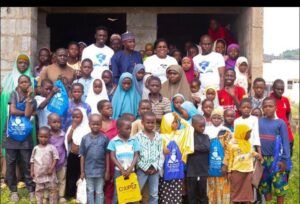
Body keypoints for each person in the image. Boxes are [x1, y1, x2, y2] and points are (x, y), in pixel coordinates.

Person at [4, 75, 36, 202]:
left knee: (27, 163)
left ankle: (31, 190)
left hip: (25, 136)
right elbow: (12, 110)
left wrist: (28, 98)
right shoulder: (14, 94)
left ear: (29, 84)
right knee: (11, 163)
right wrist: (24, 113)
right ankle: (13, 191)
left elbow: (28, 115)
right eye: (22, 82)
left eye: (26, 82)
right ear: (18, 83)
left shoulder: (32, 99)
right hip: (11, 135)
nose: (24, 84)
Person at [1, 54, 36, 164]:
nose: (22, 65)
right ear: (16, 64)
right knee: (10, 141)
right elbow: (4, 96)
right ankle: (8, 175)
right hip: (10, 114)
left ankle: (24, 173)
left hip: (27, 116)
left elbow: (32, 99)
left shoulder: (32, 80)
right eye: (20, 62)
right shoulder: (8, 78)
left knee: (25, 141)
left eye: (25, 63)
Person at [258, 97, 290, 204]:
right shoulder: (259, 122)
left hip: (277, 160)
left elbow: (285, 143)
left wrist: (284, 160)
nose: (268, 109)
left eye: (270, 106)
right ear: (262, 108)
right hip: (263, 160)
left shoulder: (280, 123)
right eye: (265, 106)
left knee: (279, 187)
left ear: (275, 108)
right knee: (265, 187)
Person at [159, 112, 194, 204]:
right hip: (165, 170)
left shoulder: (180, 134)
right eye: (173, 122)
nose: (176, 124)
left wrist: (180, 119)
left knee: (177, 194)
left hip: (177, 169)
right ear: (166, 123)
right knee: (165, 193)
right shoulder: (160, 136)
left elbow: (190, 128)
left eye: (176, 122)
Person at [107, 117, 140, 204]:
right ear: (119, 129)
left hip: (131, 171)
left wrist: (130, 168)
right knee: (118, 192)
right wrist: (121, 168)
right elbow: (112, 156)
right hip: (119, 171)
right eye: (127, 128)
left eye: (130, 128)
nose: (129, 131)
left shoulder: (134, 140)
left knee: (131, 193)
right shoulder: (113, 141)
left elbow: (136, 155)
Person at [227, 124, 262, 203]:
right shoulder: (232, 144)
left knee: (247, 192)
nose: (249, 135)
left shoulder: (248, 143)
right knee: (236, 190)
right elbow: (230, 158)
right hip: (237, 171)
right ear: (241, 133)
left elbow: (250, 152)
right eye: (248, 133)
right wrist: (229, 171)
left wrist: (256, 154)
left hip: (248, 171)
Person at [80, 114, 110, 204]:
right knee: (90, 191)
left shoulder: (105, 138)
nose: (95, 126)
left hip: (101, 170)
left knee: (99, 191)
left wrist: (107, 171)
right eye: (93, 124)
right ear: (89, 124)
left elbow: (107, 155)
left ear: (101, 125)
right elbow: (82, 155)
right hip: (88, 170)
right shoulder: (85, 139)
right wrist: (82, 171)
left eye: (98, 124)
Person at [204, 107, 231, 204]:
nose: (216, 120)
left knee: (223, 187)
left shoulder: (226, 131)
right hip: (210, 165)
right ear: (211, 119)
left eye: (218, 118)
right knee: (211, 187)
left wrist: (225, 164)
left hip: (222, 165)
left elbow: (229, 149)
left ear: (222, 119)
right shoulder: (206, 130)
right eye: (214, 118)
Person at [135, 111, 163, 204]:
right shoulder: (138, 137)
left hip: (155, 169)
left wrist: (156, 167)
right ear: (142, 123)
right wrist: (144, 168)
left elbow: (161, 153)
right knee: (137, 192)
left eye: (153, 122)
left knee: (154, 194)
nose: (150, 125)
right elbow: (136, 154)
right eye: (148, 122)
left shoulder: (158, 137)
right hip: (142, 169)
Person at [64, 108, 90, 198]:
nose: (75, 119)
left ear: (83, 117)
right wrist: (73, 128)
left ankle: (82, 195)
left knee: (82, 175)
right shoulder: (71, 127)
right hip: (73, 155)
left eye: (77, 117)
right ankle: (71, 194)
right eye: (73, 117)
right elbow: (67, 140)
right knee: (71, 175)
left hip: (84, 157)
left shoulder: (88, 128)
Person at [30, 127, 59, 204]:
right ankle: (39, 202)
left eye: (45, 137)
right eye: (41, 137)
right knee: (39, 190)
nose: (43, 139)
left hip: (50, 174)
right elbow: (32, 160)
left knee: (52, 190)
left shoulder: (51, 148)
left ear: (49, 137)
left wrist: (51, 169)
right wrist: (32, 171)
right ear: (38, 136)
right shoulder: (35, 148)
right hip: (39, 174)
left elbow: (56, 159)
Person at [97, 99, 118, 204]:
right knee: (98, 181)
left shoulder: (116, 124)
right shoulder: (96, 124)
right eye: (107, 108)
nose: (111, 109)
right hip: (98, 159)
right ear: (100, 110)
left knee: (111, 181)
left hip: (112, 158)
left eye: (111, 107)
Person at [186, 115, 210, 204]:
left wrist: (193, 148)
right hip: (191, 171)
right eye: (200, 126)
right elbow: (187, 148)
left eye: (204, 126)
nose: (203, 128)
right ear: (193, 125)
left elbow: (207, 147)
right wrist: (195, 148)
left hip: (203, 171)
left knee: (203, 195)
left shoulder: (206, 136)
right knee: (191, 194)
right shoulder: (189, 137)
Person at [270, 79, 294, 155]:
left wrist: (289, 122)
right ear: (273, 88)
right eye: (278, 89)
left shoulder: (285, 100)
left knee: (287, 156)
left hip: (287, 134)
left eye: (282, 89)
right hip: (275, 134)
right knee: (276, 158)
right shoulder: (269, 100)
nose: (280, 91)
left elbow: (289, 112)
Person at [47, 113, 67, 203]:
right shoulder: (47, 135)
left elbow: (65, 147)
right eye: (54, 122)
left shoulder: (63, 134)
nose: (57, 124)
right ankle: (47, 195)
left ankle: (61, 195)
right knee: (49, 180)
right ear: (48, 123)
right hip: (50, 163)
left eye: (59, 122)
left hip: (62, 161)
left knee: (61, 179)